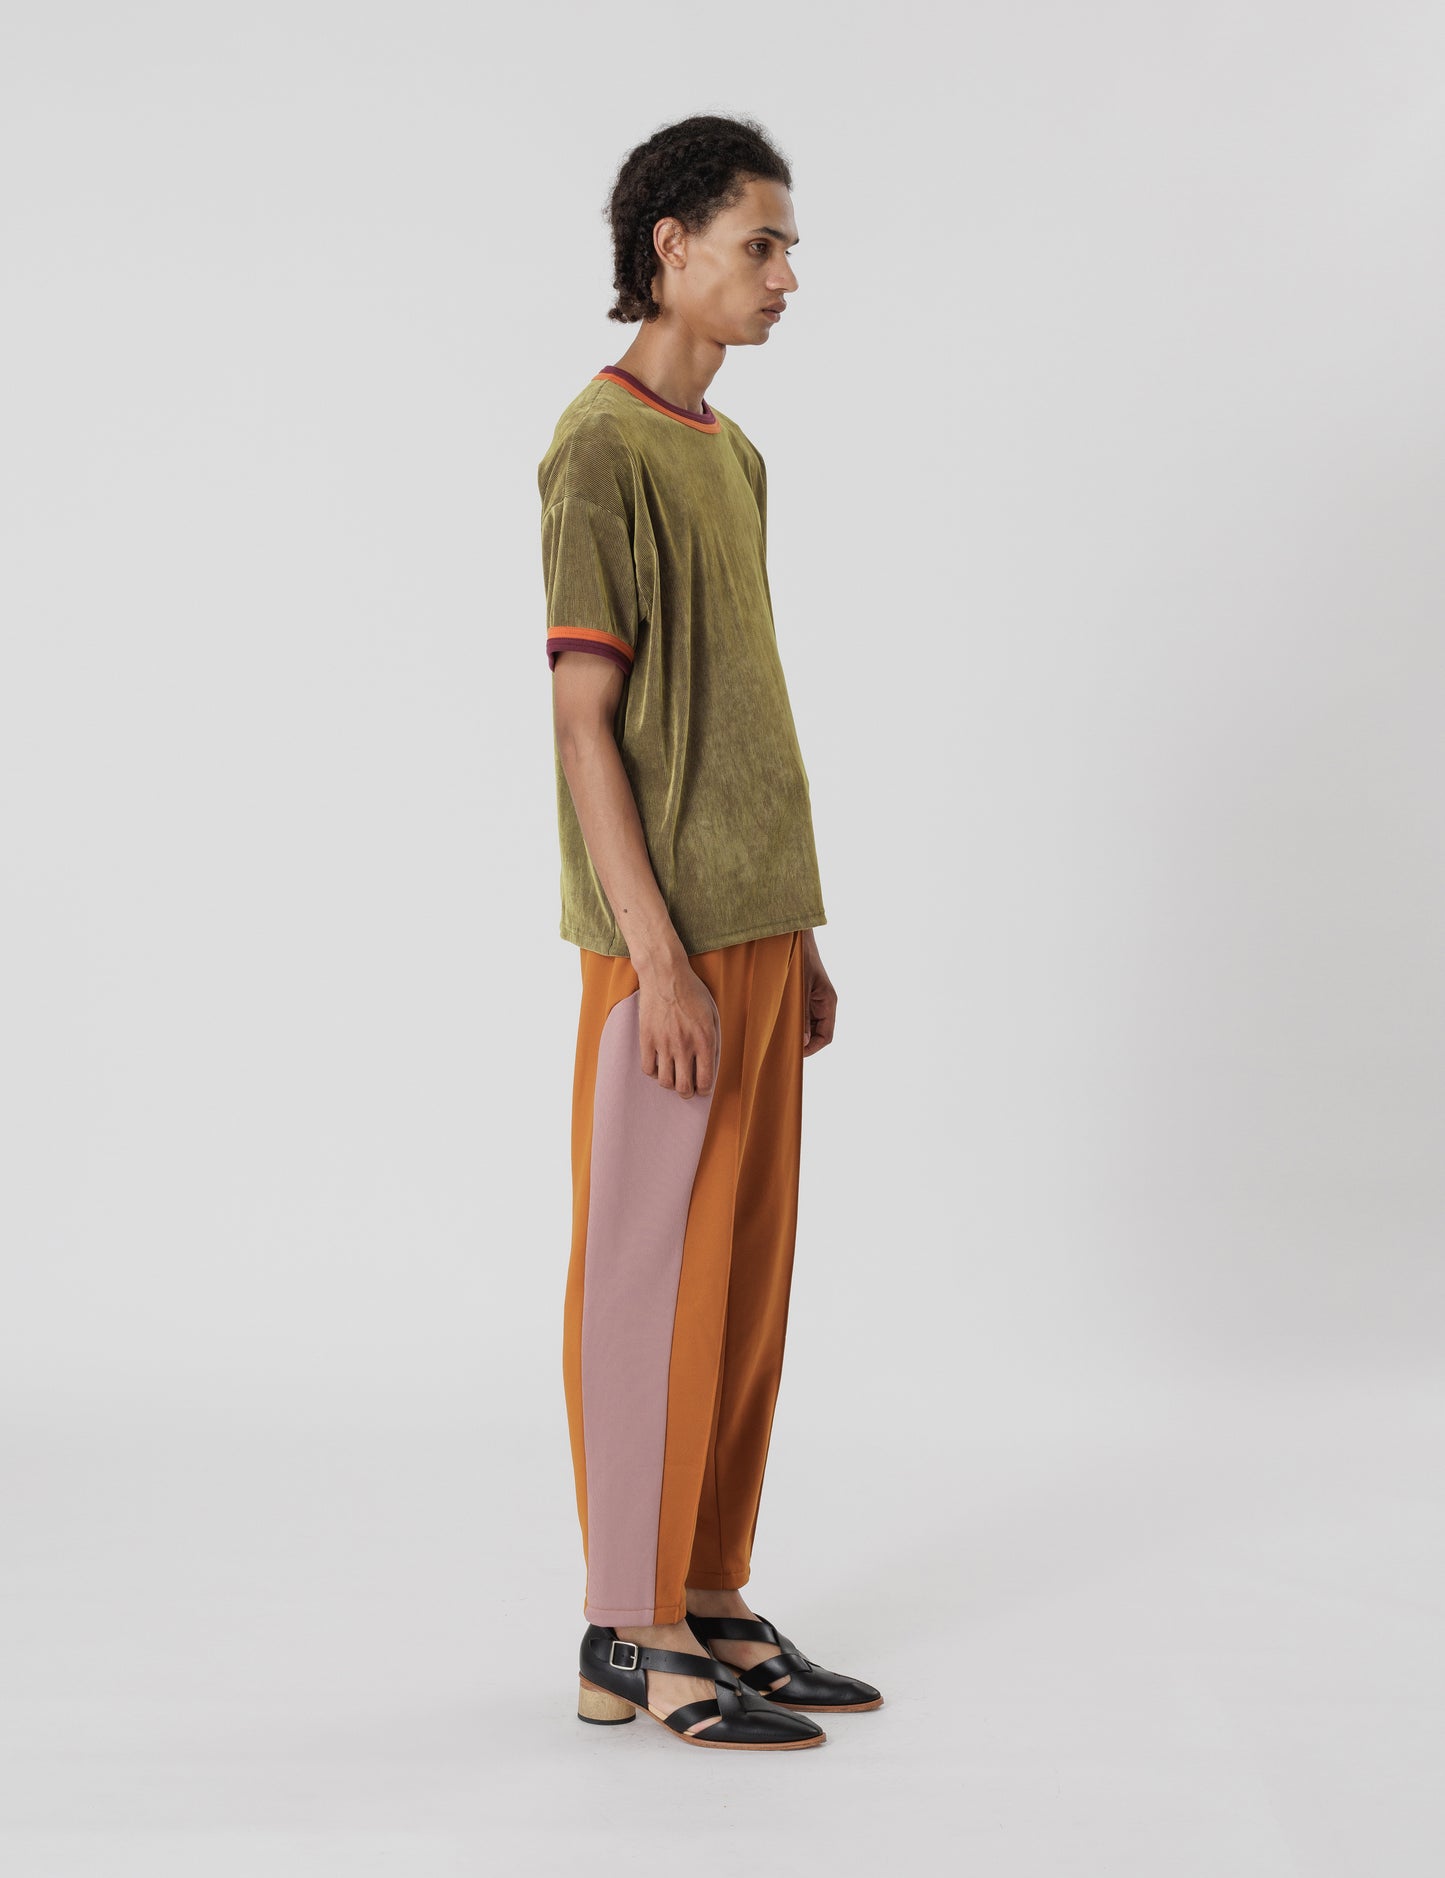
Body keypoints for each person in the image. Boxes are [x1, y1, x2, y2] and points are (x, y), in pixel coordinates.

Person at [537, 113, 882, 1752]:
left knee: (738, 1284)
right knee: (644, 1274)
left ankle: (711, 1587)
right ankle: (630, 1621)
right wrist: (657, 955)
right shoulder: (596, 448)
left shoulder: (731, 456)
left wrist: (791, 927)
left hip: (753, 927)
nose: (786, 275)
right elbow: (582, 722)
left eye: (787, 247)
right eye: (761, 243)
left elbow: (739, 707)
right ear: (668, 248)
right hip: (661, 945)